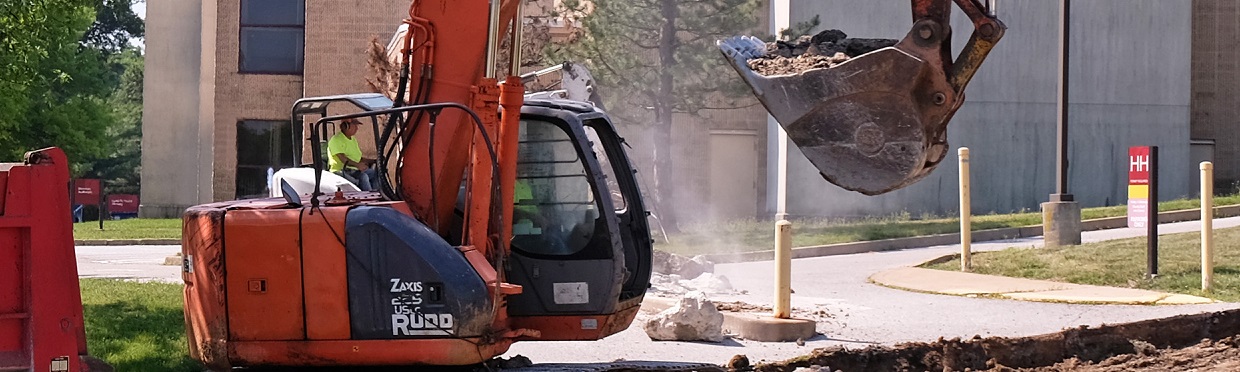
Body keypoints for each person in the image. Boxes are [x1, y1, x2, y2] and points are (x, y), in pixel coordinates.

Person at [327, 119, 380, 191]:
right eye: (355, 125)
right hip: (340, 171)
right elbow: (343, 159)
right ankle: (370, 198)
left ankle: (378, 194)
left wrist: (374, 161)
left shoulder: (353, 140)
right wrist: (358, 165)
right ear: (346, 126)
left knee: (375, 173)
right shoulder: (336, 140)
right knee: (363, 177)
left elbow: (358, 158)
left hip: (353, 170)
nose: (357, 128)